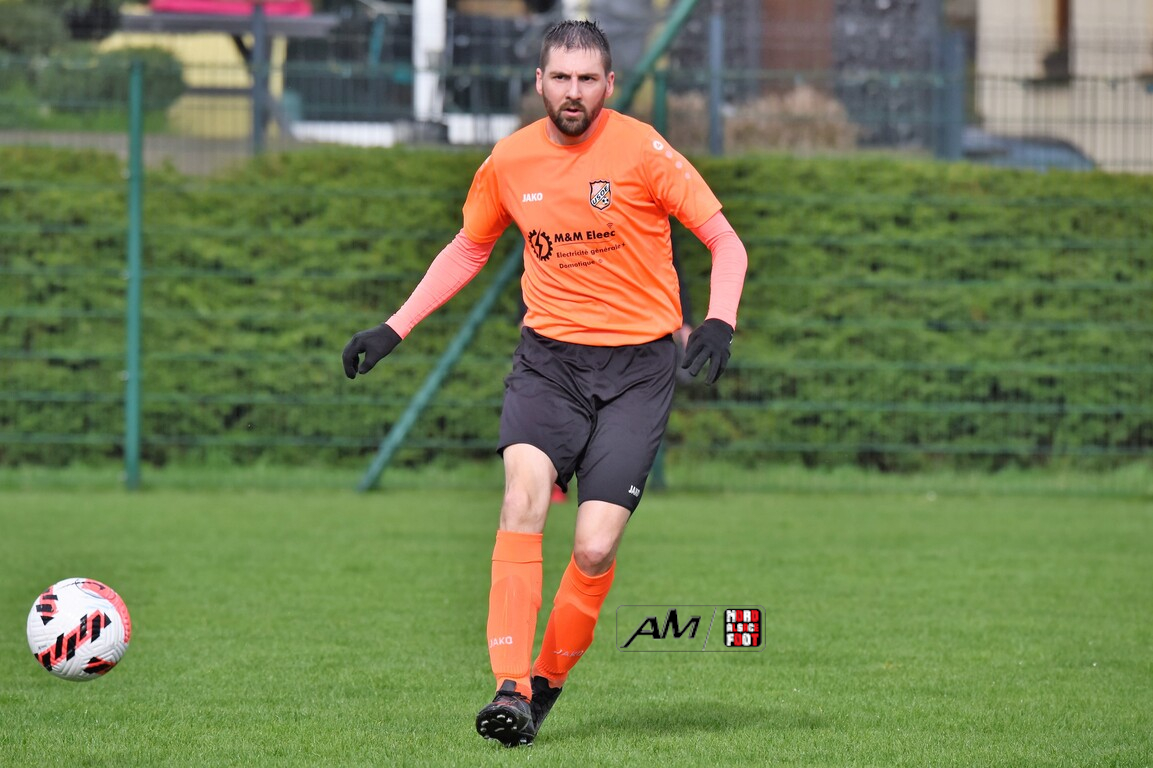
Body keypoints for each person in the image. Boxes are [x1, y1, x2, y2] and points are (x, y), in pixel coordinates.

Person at [342, 19, 747, 748]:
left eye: (587, 79)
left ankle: (544, 684)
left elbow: (724, 240)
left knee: (592, 548)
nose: (573, 92)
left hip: (638, 371)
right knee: (522, 498)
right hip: (548, 364)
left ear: (609, 84)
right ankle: (509, 687)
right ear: (539, 82)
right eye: (560, 77)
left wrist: (719, 320)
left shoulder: (643, 150)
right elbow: (467, 248)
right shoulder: (510, 161)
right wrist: (393, 328)